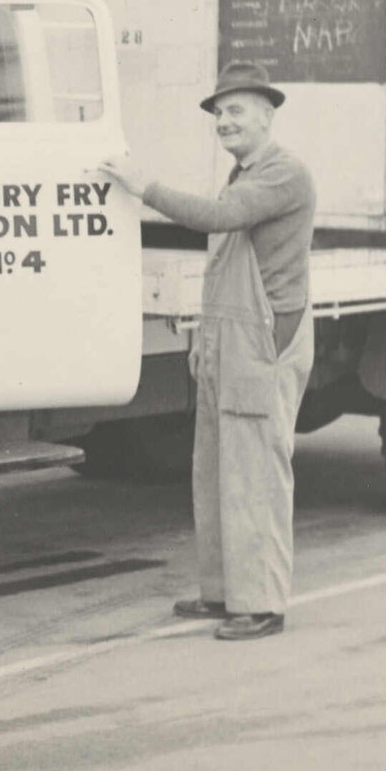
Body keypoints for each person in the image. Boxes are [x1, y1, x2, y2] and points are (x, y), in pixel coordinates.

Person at [98, 60, 316, 640]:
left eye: (237, 110)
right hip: (230, 338)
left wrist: (144, 187)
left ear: (269, 115)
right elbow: (225, 260)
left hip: (262, 344)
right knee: (216, 472)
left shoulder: (282, 174)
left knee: (255, 477)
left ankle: (262, 604)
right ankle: (224, 593)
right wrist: (204, 338)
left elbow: (221, 220)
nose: (225, 121)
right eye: (219, 113)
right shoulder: (244, 174)